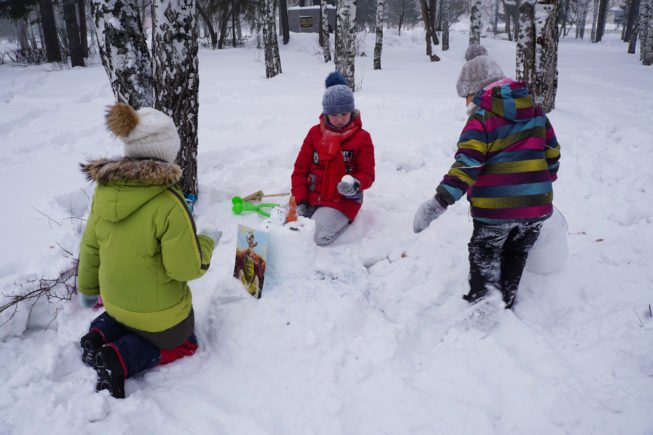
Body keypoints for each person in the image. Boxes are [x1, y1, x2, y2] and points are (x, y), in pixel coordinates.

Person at [77, 102, 221, 398]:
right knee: (185, 342)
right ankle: (118, 358)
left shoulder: (103, 192)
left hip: (114, 304)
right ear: (166, 152)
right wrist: (206, 242)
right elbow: (185, 269)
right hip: (160, 316)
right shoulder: (169, 203)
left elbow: (90, 247)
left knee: (126, 314)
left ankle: (98, 334)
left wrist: (88, 288)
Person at [413, 45, 561, 309]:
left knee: (485, 251)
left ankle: (484, 306)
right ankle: (506, 300)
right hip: (536, 207)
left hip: (496, 210)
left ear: (478, 91)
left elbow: (467, 166)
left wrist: (439, 202)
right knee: (516, 252)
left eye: (467, 97)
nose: (467, 104)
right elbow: (552, 152)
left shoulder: (482, 118)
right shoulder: (536, 111)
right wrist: (539, 182)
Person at [291, 71, 375, 246]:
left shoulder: (362, 138)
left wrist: (355, 184)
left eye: (344, 114)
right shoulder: (315, 134)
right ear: (326, 113)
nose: (339, 119)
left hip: (341, 201)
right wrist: (300, 200)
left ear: (351, 112)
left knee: (315, 236)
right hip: (311, 198)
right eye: (334, 114)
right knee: (285, 226)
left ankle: (340, 221)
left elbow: (367, 174)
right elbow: (300, 170)